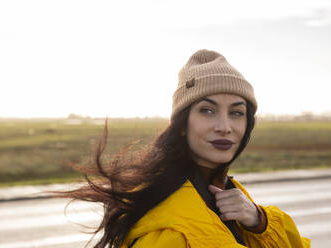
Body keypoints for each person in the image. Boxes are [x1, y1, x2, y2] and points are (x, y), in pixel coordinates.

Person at [61, 49, 311, 247]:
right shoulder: (170, 229)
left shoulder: (223, 190)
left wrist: (259, 221)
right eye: (207, 110)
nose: (225, 126)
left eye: (236, 112)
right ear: (181, 124)